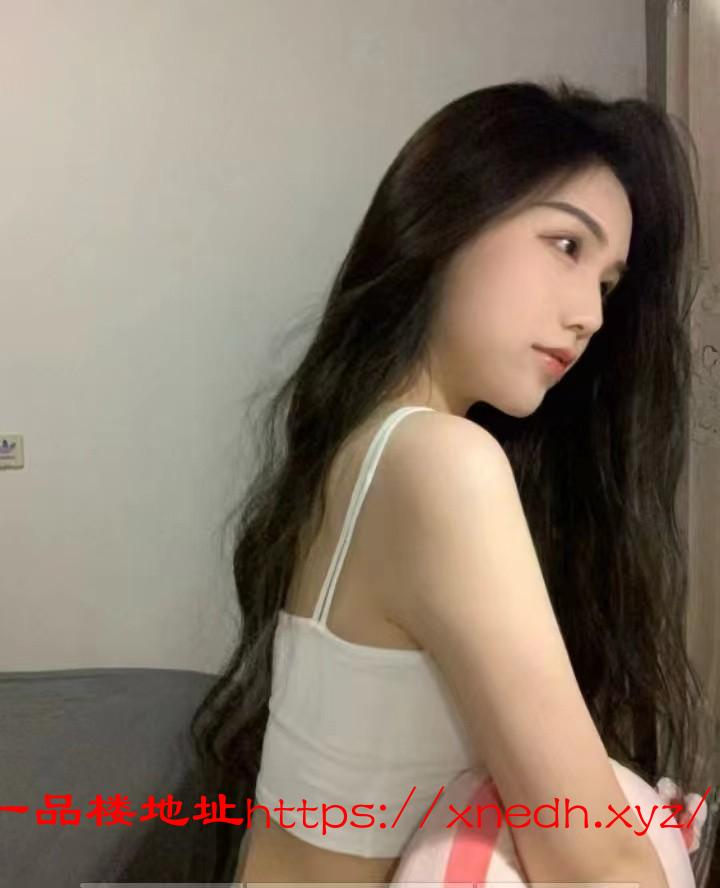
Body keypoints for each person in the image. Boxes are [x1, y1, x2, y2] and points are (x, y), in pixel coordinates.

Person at [191, 77, 710, 886]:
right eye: (566, 246)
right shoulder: (440, 462)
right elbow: (595, 866)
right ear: (449, 216)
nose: (592, 314)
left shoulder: (369, 443)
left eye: (608, 283)